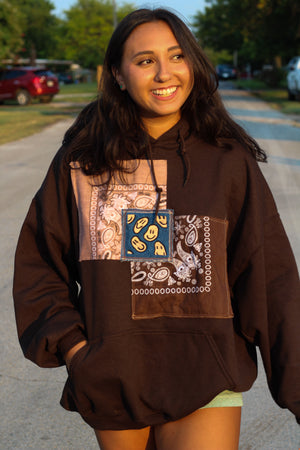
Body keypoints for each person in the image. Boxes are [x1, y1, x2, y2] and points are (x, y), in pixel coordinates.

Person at [13, 8, 299, 450]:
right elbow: (39, 264)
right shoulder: (84, 161)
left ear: (193, 65)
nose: (165, 73)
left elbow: (269, 279)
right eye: (145, 60)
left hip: (206, 376)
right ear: (118, 75)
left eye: (177, 56)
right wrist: (75, 349)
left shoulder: (227, 161)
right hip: (114, 380)